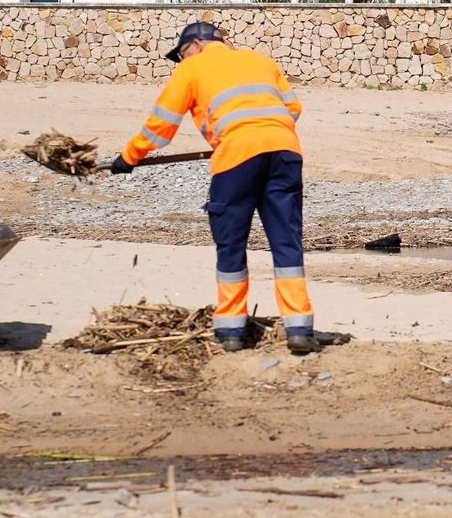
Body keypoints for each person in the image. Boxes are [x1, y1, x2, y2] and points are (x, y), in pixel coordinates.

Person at [107, 22, 317, 355]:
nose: (180, 60)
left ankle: (231, 330)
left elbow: (161, 125)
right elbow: (293, 109)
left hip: (236, 157)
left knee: (231, 241)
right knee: (286, 241)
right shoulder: (260, 60)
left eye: (181, 54)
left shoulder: (193, 67)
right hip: (286, 152)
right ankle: (299, 329)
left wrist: (128, 157)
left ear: (197, 45)